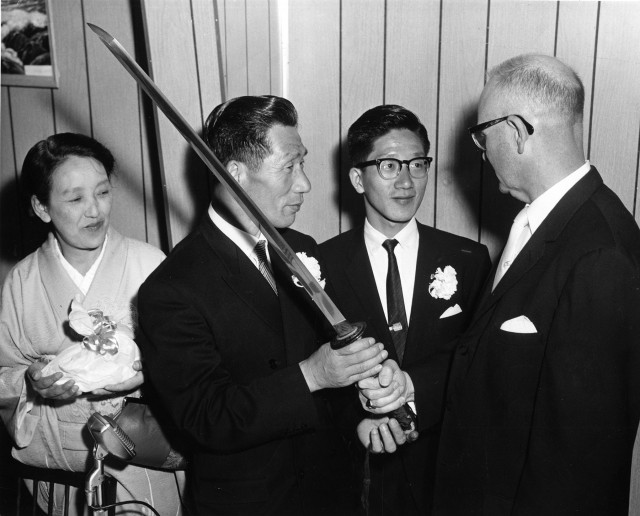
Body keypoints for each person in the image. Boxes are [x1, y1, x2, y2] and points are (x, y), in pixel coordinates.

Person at [365, 54, 640, 514]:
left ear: (515, 132)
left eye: (482, 134)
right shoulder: (543, 223)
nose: (480, 149)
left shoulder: (600, 253)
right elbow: (496, 361)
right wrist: (412, 386)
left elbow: (582, 462)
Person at [136, 95, 388, 516]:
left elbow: (336, 379)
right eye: (290, 166)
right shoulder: (172, 288)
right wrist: (311, 375)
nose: (305, 183)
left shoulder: (303, 250)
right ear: (234, 174)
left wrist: (364, 410)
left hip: (331, 497)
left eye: (302, 163)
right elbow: (204, 419)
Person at [0, 133, 185, 515]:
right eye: (75, 198)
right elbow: (4, 372)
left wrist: (146, 372)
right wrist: (32, 382)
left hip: (140, 468)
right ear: (41, 206)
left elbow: (193, 363)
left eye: (102, 193)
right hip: (58, 474)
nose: (95, 211)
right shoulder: (22, 280)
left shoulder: (150, 265)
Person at [320, 105, 490, 516]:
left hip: (444, 472)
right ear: (358, 178)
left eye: (417, 164)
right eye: (389, 165)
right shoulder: (322, 266)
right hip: (358, 479)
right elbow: (312, 374)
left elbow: (481, 365)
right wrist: (355, 423)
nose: (407, 180)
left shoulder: (469, 258)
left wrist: (416, 391)